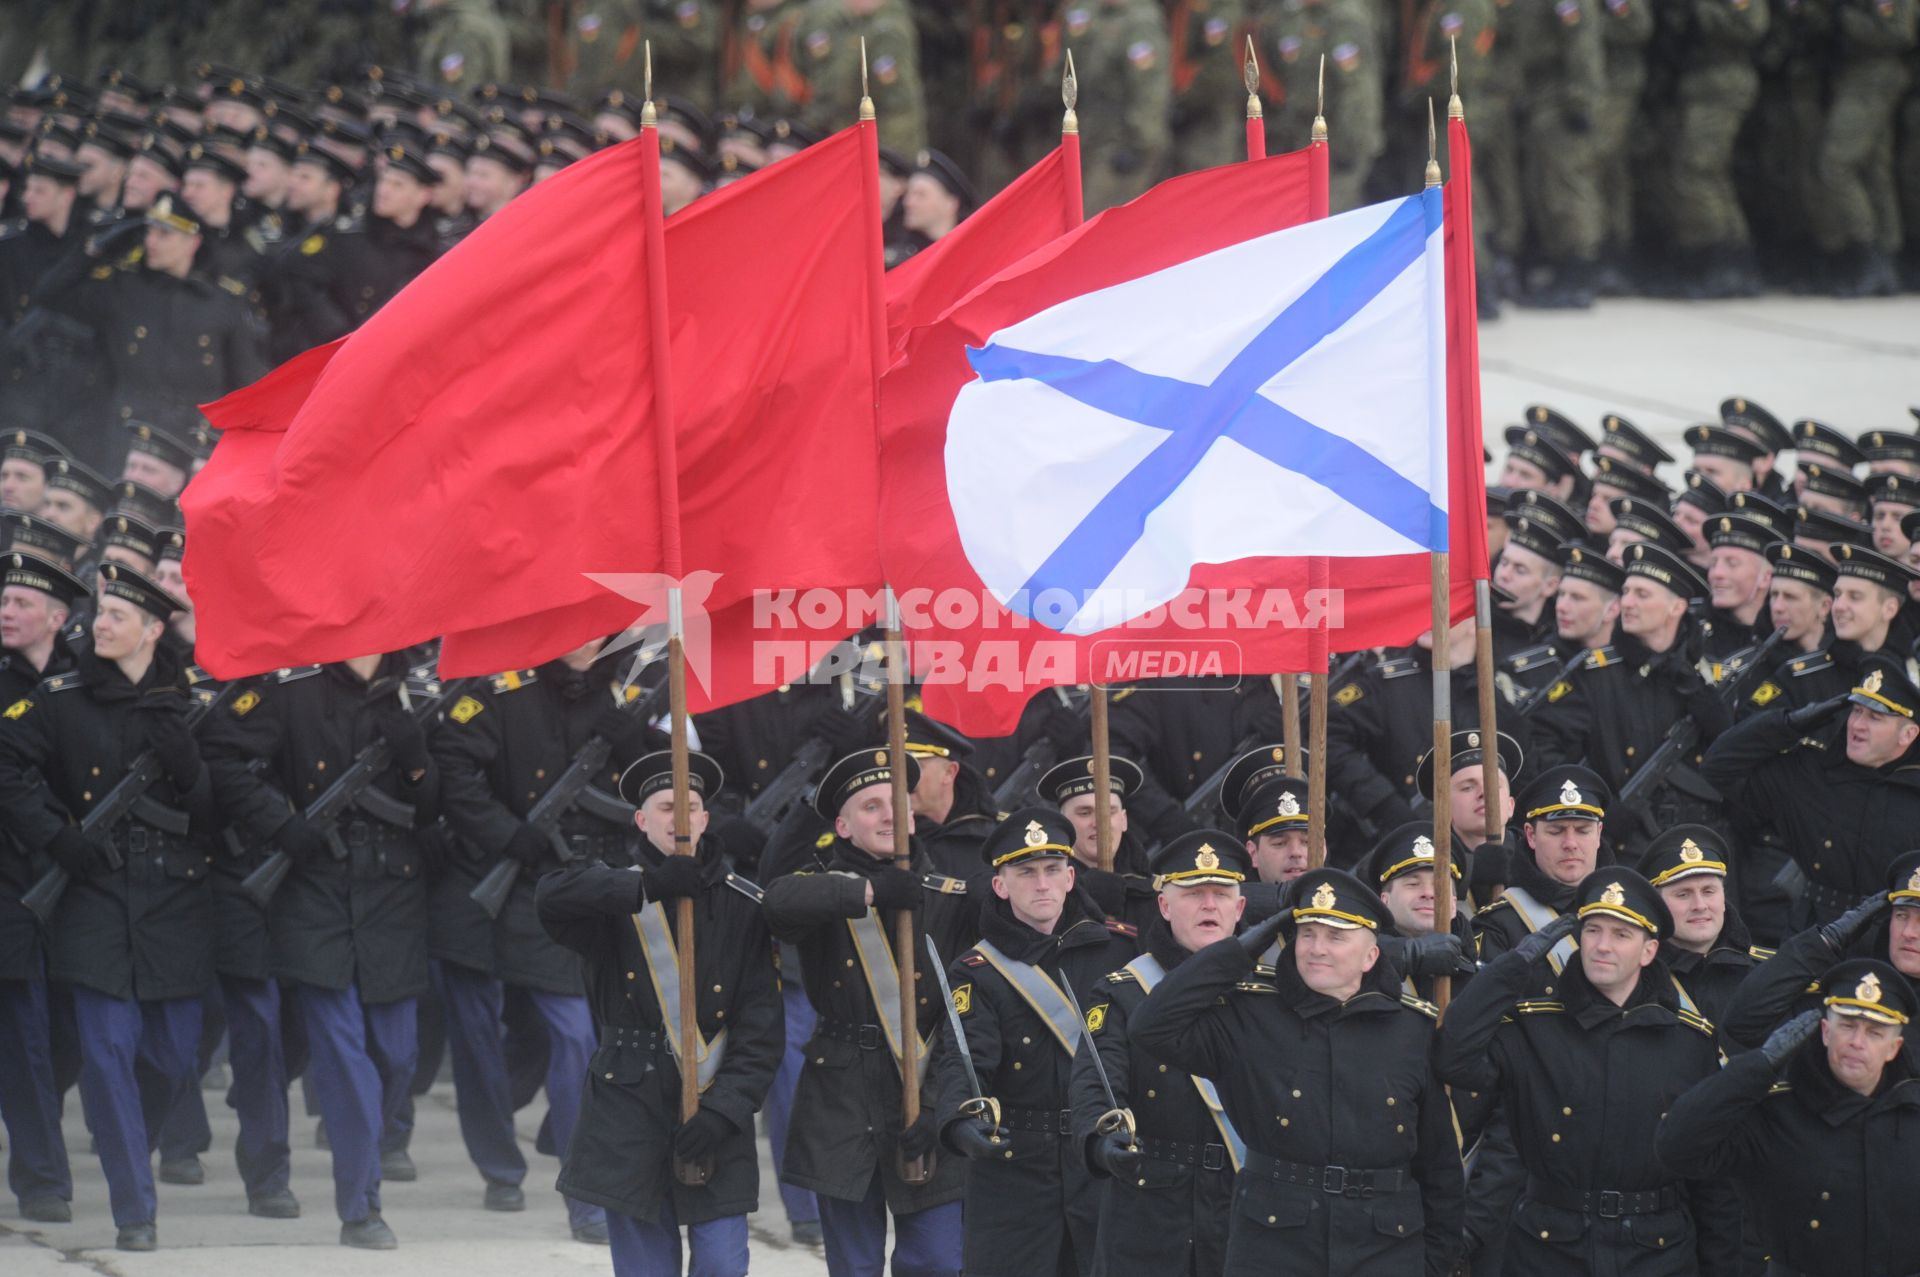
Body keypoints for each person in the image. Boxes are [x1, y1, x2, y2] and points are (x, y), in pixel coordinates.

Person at [0, 564, 213, 1251]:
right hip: (91, 895)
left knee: (173, 1057)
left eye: (119, 615)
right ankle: (134, 1206)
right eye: (100, 614)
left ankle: (133, 1150)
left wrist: (188, 765)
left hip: (173, 897)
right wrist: (55, 835)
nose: (102, 625)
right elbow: (5, 762)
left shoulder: (189, 704)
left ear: (153, 628)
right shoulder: (61, 697)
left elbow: (216, 809)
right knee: (107, 1049)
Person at [201, 651, 441, 1249]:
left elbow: (436, 807)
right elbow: (222, 755)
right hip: (313, 890)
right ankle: (361, 1207)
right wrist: (279, 824)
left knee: (397, 1057)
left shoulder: (414, 692)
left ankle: (363, 1165)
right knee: (341, 1055)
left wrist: (416, 766)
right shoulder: (290, 687)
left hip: (392, 892)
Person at [430, 642, 662, 1240]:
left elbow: (673, 787)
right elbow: (453, 766)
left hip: (608, 884)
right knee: (543, 1035)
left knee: (581, 1038)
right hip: (520, 884)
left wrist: (634, 743)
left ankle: (572, 1157)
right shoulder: (504, 688)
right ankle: (530, 1177)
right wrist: (508, 835)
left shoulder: (640, 689)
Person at [1130, 866, 1465, 1273]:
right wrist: (1238, 951)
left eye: (1335, 937)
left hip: (1385, 1246)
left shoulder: (1412, 1029)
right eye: (1307, 934)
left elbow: (1439, 1165)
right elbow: (1151, 1027)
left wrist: (1436, 1262)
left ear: (1371, 955)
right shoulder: (1249, 1015)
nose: (1316, 948)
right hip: (1274, 1246)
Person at [535, 746, 782, 1276]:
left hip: (717, 1105)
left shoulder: (745, 905)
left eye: (691, 807)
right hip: (629, 1105)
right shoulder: (611, 892)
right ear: (642, 820)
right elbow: (550, 898)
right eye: (668, 808)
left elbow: (762, 1029)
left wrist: (724, 1111)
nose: (682, 818)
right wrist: (646, 886)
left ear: (708, 818)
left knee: (722, 1263)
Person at [1435, 869, 1743, 1276]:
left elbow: (1712, 1185)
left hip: (1657, 1253)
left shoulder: (1689, 1042)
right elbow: (1453, 1058)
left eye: (1620, 935)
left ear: (1649, 951)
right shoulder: (1535, 1028)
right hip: (1549, 1250)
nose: (1601, 946)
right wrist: (1515, 966)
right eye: (1593, 930)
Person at [760, 746, 973, 1277]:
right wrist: (869, 891)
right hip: (842, 1098)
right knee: (853, 1264)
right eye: (870, 806)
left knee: (939, 1261)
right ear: (843, 826)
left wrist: (940, 1106)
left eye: (896, 804)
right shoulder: (822, 890)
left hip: (929, 1089)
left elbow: (971, 1012)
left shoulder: (951, 894)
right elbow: (777, 902)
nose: (887, 817)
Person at [933, 807, 1137, 1276]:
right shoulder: (976, 971)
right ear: (1000, 886)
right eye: (1025, 872)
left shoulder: (1121, 951)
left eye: (1051, 871)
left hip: (1100, 1160)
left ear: (1070, 877)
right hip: (1014, 1167)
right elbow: (964, 1061)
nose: (1041, 884)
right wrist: (963, 1123)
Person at [1658, 958, 1920, 1276]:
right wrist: (1758, 1067)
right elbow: (1677, 1147)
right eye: (1847, 1026)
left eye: (1874, 1033)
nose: (1856, 1042)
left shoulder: (1911, 1115)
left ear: (1894, 1047)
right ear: (1825, 1031)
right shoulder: (1779, 1112)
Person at [1070, 828, 1252, 1277]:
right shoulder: (1123, 992)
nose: (1209, 904)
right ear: (1165, 906)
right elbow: (1098, 1080)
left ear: (1240, 908)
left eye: (1221, 892)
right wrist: (1103, 1138)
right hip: (1151, 1209)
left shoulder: (1271, 993)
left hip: (1249, 1211)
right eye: (1193, 893)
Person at [1701, 654, 1920, 929]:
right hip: (1810, 937)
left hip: (1890, 945)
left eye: (1875, 718)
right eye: (1856, 711)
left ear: (1907, 735)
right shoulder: (1811, 773)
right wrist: (1789, 723)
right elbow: (1718, 766)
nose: (1857, 725)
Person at [1471, 764, 1613, 966]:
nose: (1570, 844)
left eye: (1583, 831)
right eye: (1556, 832)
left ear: (1599, 833)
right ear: (1531, 835)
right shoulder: (1500, 925)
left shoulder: (1627, 910)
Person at [1639, 824, 1762, 1025]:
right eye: (1683, 894)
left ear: (1724, 897)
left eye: (1708, 891)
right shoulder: (1634, 983)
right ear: (1656, 906)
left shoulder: (1764, 972)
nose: (1699, 905)